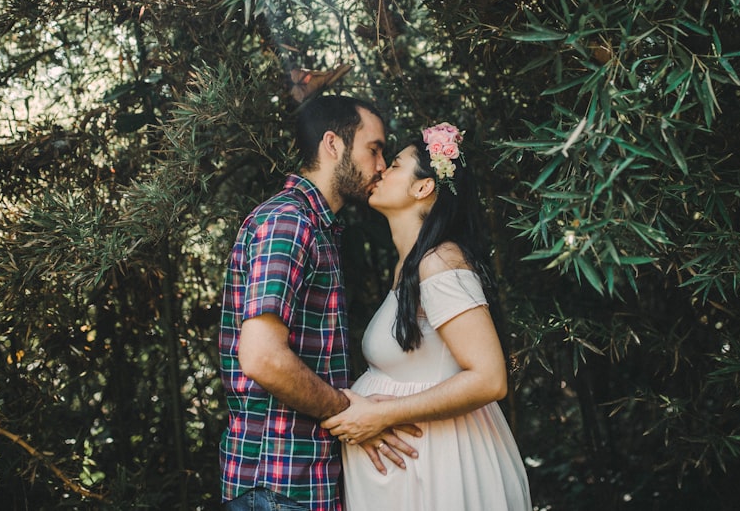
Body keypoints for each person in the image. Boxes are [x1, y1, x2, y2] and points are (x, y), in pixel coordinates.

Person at [218, 95, 419, 511]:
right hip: (277, 483)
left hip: (300, 483)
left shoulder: (318, 227)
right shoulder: (289, 223)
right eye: (374, 149)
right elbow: (262, 358)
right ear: (333, 144)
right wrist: (352, 412)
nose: (380, 165)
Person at [321, 122, 532, 510]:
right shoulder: (410, 266)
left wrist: (384, 414)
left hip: (440, 469)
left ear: (422, 187)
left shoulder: (440, 263)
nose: (381, 169)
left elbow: (489, 379)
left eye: (396, 164)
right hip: (416, 469)